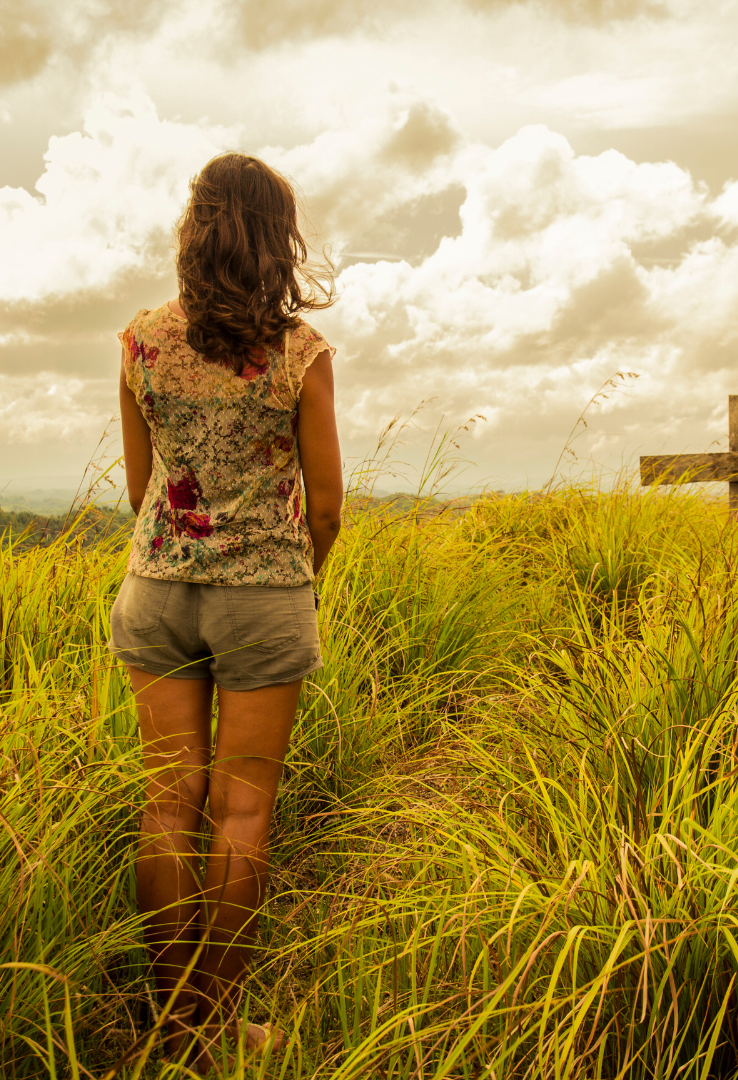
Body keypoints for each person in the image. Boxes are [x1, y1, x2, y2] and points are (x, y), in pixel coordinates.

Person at [108, 153, 343, 1072]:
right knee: (242, 814)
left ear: (195, 232)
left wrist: (179, 547)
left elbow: (143, 488)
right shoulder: (300, 354)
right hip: (262, 600)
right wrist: (296, 573)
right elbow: (325, 504)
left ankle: (174, 1028)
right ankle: (216, 1025)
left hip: (157, 588)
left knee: (168, 804)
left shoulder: (139, 344)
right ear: (273, 240)